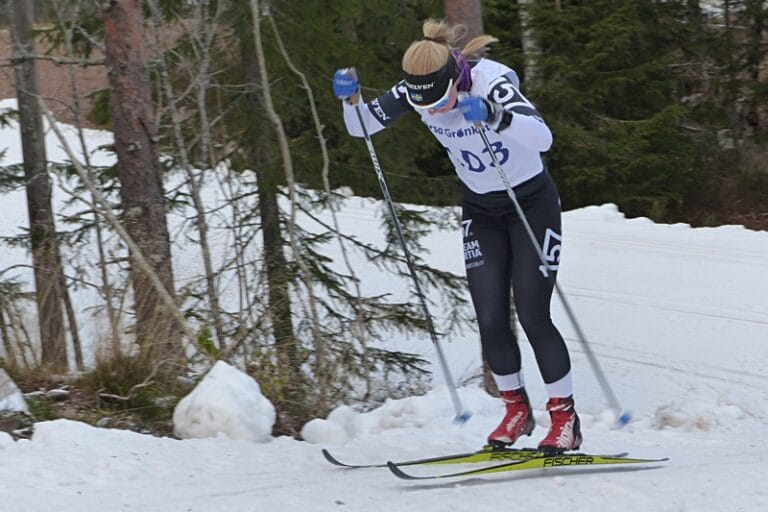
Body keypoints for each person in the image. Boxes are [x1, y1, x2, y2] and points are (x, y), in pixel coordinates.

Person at [333, 18, 581, 453]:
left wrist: (495, 114)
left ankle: (565, 418)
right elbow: (361, 126)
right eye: (421, 105)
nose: (430, 111)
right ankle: (516, 410)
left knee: (532, 312)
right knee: (488, 318)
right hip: (481, 210)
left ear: (454, 78)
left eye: (438, 102)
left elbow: (543, 138)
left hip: (530, 205)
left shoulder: (493, 82)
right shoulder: (417, 88)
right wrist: (350, 99)